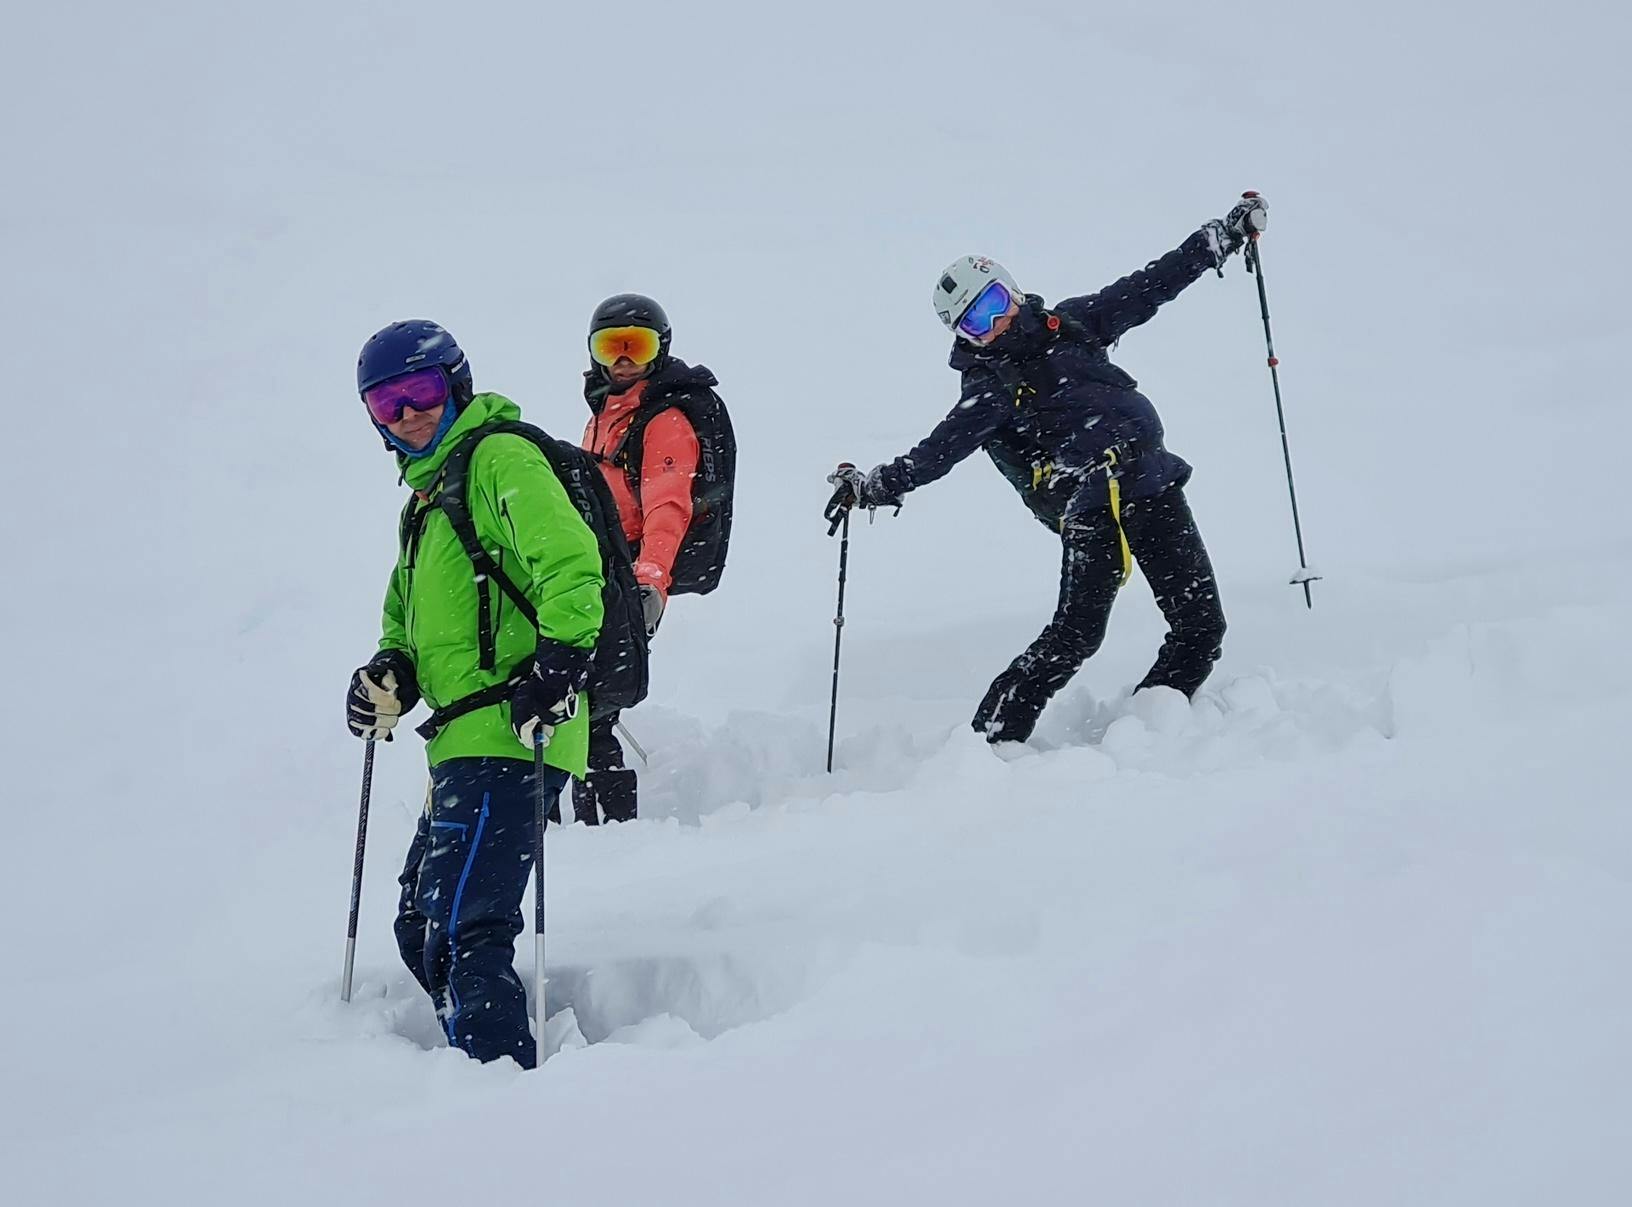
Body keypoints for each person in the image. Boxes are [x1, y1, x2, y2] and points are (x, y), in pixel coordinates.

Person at [826, 194, 1269, 746]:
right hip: (1094, 505)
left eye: (992, 304)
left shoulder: (1074, 325)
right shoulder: (990, 387)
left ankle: (1153, 729)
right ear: (964, 337)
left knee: (1202, 628)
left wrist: (1217, 239)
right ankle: (991, 740)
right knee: (1077, 635)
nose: (993, 325)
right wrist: (872, 486)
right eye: (974, 325)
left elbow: (1151, 285)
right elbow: (935, 452)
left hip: (1151, 482)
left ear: (1010, 289)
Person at [344, 319, 604, 1067]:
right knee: (418, 922)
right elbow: (405, 625)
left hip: (516, 731)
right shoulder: (424, 507)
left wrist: (558, 666)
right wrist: (387, 677)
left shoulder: (499, 458)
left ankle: (499, 1098)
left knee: (466, 927)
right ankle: (480, 1065)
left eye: (421, 392)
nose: (408, 415)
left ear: (455, 385)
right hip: (459, 745)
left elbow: (570, 562)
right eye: (386, 405)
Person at [577, 293, 727, 823]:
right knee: (582, 702)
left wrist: (650, 582)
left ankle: (610, 825)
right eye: (609, 346)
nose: (621, 360)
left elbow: (669, 506)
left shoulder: (663, 421)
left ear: (658, 351)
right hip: (592, 573)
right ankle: (585, 819)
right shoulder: (608, 413)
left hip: (626, 578)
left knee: (591, 706)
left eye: (634, 347)